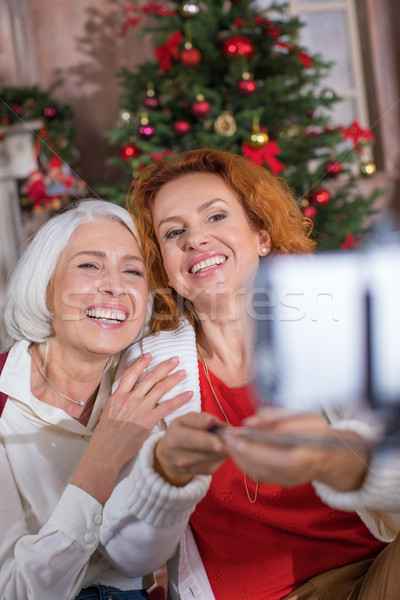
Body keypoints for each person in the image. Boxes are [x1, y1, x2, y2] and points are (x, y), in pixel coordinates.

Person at [100, 149, 400, 600]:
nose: (197, 240)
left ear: (261, 235)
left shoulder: (335, 330)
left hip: (373, 578)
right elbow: (127, 555)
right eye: (174, 231)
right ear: (162, 263)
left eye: (216, 217)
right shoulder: (148, 369)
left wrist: (338, 461)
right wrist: (164, 472)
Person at [0, 199, 195, 600]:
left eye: (133, 271)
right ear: (47, 285)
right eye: (89, 265)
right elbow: (16, 590)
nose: (115, 285)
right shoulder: (4, 402)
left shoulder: (152, 380)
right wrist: (104, 456)